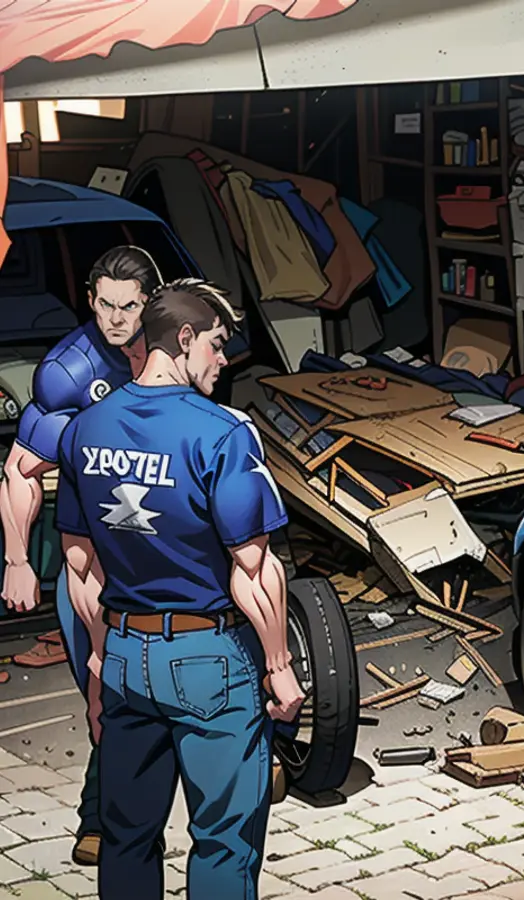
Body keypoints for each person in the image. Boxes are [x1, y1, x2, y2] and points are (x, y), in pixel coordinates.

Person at [55, 277, 304, 900]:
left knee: (126, 834)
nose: (224, 361)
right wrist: (278, 667)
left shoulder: (84, 430)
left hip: (122, 657)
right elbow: (253, 567)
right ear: (184, 339)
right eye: (217, 346)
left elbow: (80, 564)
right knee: (224, 838)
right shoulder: (222, 432)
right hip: (208, 660)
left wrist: (96, 659)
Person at [0, 244, 160, 866]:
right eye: (105, 305)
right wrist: (17, 559)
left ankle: (259, 755)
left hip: (173, 546)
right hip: (93, 555)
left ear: (149, 302)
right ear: (90, 300)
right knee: (104, 686)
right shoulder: (68, 371)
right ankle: (103, 817)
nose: (116, 318)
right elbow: (19, 468)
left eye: (129, 306)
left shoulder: (178, 343)